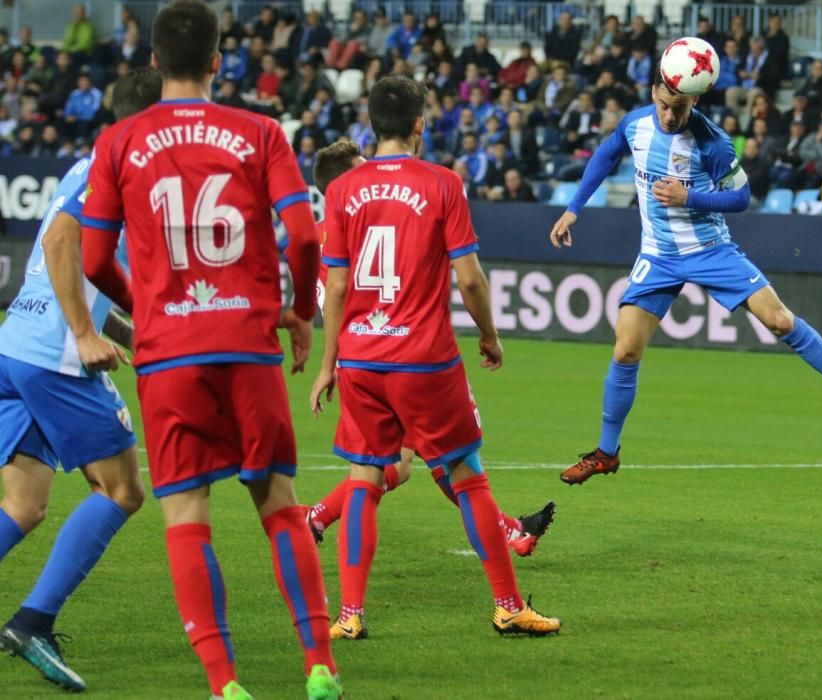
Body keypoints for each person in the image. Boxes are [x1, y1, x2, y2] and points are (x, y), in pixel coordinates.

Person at [77, 3, 342, 698]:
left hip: (168, 356)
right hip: (248, 347)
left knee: (186, 514)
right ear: (220, 60)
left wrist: (146, 306)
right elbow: (306, 238)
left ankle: (225, 682)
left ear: (155, 60)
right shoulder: (259, 132)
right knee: (279, 503)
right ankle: (319, 662)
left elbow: (94, 255)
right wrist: (302, 312)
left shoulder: (117, 143)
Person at [546, 69, 822, 485]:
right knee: (625, 352)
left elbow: (742, 197)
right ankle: (606, 452)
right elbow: (604, 155)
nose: (670, 116)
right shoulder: (634, 123)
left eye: (680, 108)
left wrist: (688, 195)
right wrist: (573, 208)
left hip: (710, 250)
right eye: (664, 105)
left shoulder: (712, 142)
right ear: (654, 91)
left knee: (780, 320)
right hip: (658, 256)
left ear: (695, 102)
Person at [312, 76, 561, 640]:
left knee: (362, 482)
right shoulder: (443, 183)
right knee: (467, 478)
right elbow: (469, 280)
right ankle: (507, 605)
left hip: (361, 359)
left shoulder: (342, 192)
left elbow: (338, 287)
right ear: (420, 124)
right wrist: (490, 336)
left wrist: (330, 364)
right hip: (424, 358)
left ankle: (349, 616)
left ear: (371, 125)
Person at [0, 68, 159, 694]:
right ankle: (31, 622)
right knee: (122, 490)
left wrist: (124, 333)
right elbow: (65, 245)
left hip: (17, 343)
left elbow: (79, 271)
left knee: (23, 504)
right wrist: (85, 335)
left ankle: (31, 621)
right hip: (54, 354)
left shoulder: (86, 162)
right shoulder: (118, 165)